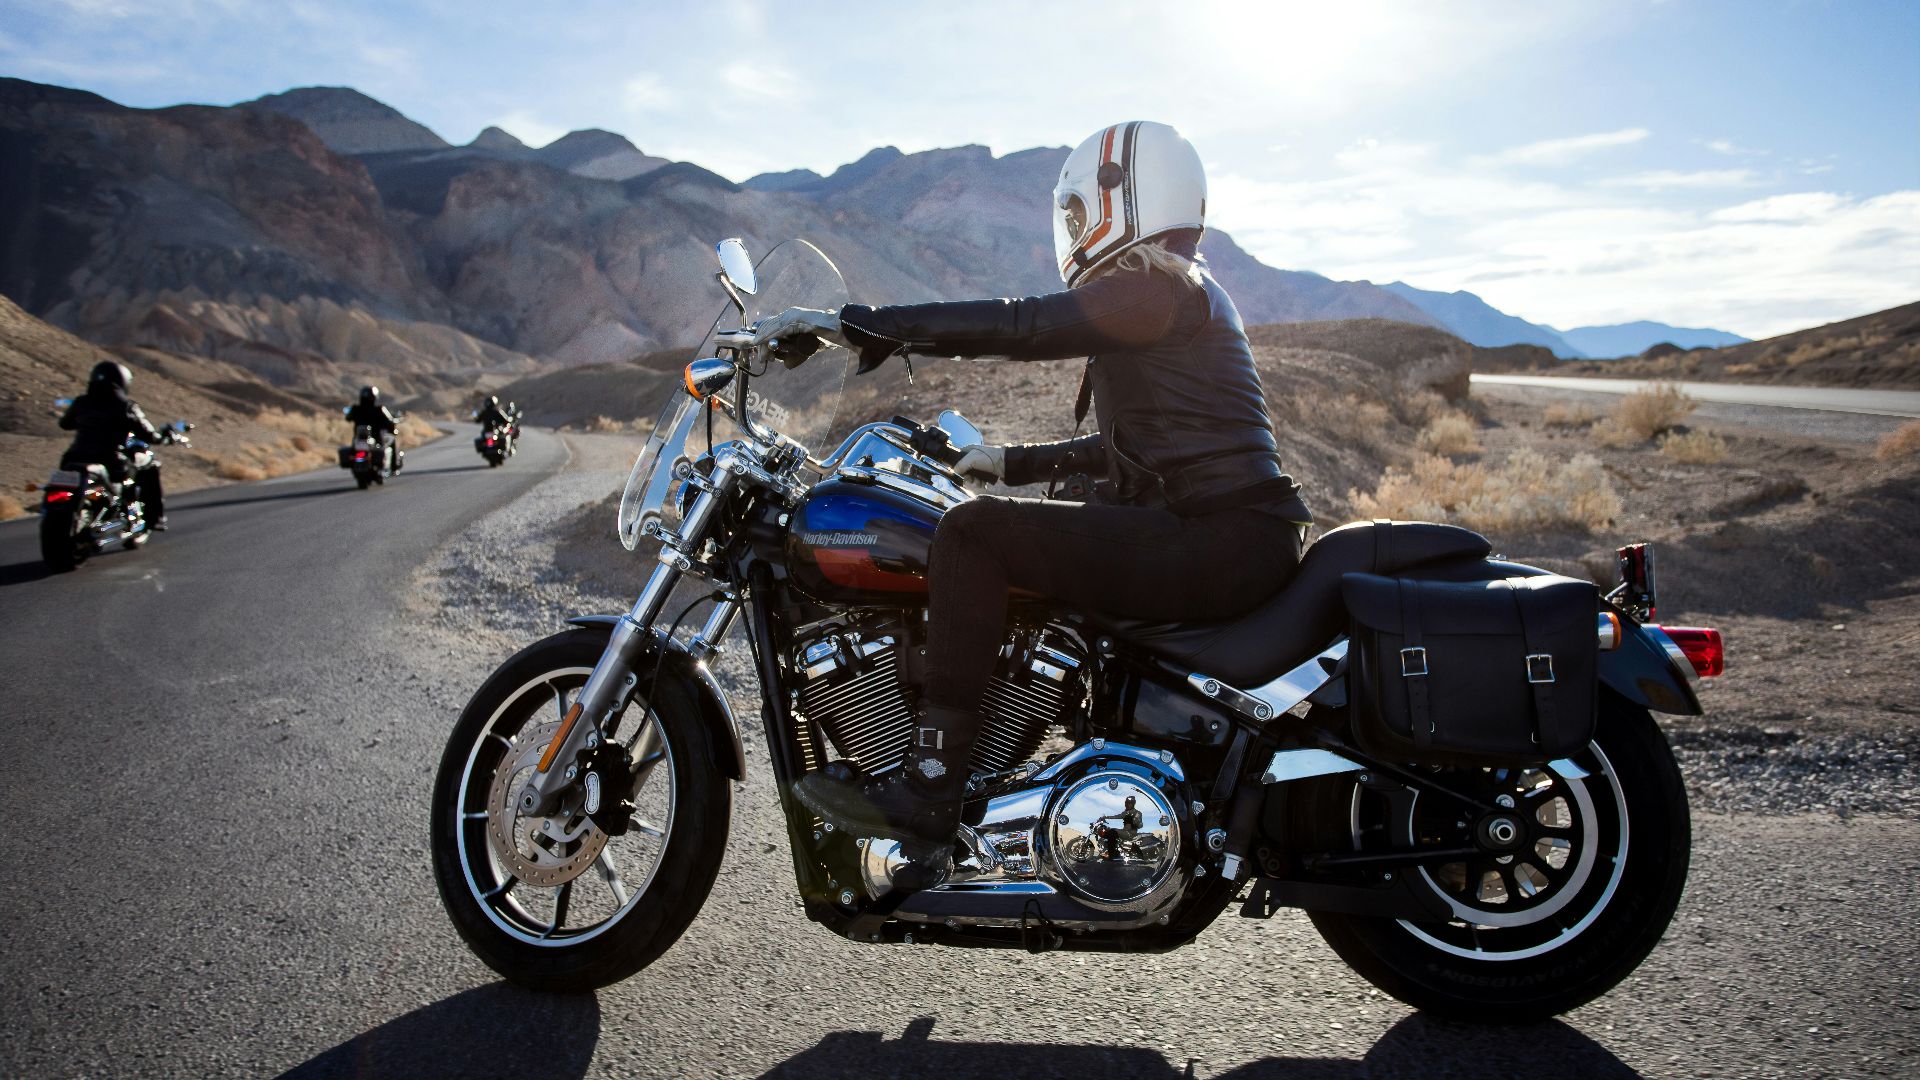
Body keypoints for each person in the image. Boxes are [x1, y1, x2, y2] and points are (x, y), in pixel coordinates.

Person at [754, 122, 1314, 855]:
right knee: (1028, 517)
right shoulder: (1178, 292)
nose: (1074, 230)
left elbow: (1022, 324)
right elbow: (1134, 449)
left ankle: (931, 784)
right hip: (1228, 533)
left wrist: (862, 327)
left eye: (1080, 212)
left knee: (975, 534)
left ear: (1126, 197)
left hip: (1217, 539)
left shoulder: (1155, 288)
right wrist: (1004, 462)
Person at [59, 360, 170, 530]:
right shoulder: (126, 406)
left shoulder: (81, 402)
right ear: (122, 381)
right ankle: (155, 518)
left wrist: (86, 421)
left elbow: (65, 424)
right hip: (110, 459)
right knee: (150, 465)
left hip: (73, 458)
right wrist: (163, 437)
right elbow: (149, 435)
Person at [346, 386, 400, 475]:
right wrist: (392, 427)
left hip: (358, 439)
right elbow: (389, 421)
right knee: (391, 441)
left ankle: (387, 467)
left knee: (354, 449)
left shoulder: (356, 409)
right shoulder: (379, 409)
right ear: (374, 397)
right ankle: (393, 467)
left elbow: (348, 418)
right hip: (375, 438)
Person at [1097, 796, 1145, 861]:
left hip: (1130, 833)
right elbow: (1117, 816)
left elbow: (1140, 825)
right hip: (1124, 831)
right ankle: (1112, 850)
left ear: (1133, 803)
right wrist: (1105, 817)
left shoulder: (1137, 813)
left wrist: (1136, 821)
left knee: (1113, 831)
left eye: (1130, 803)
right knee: (1109, 831)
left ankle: (1111, 855)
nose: (1128, 804)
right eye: (1127, 803)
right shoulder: (1126, 812)